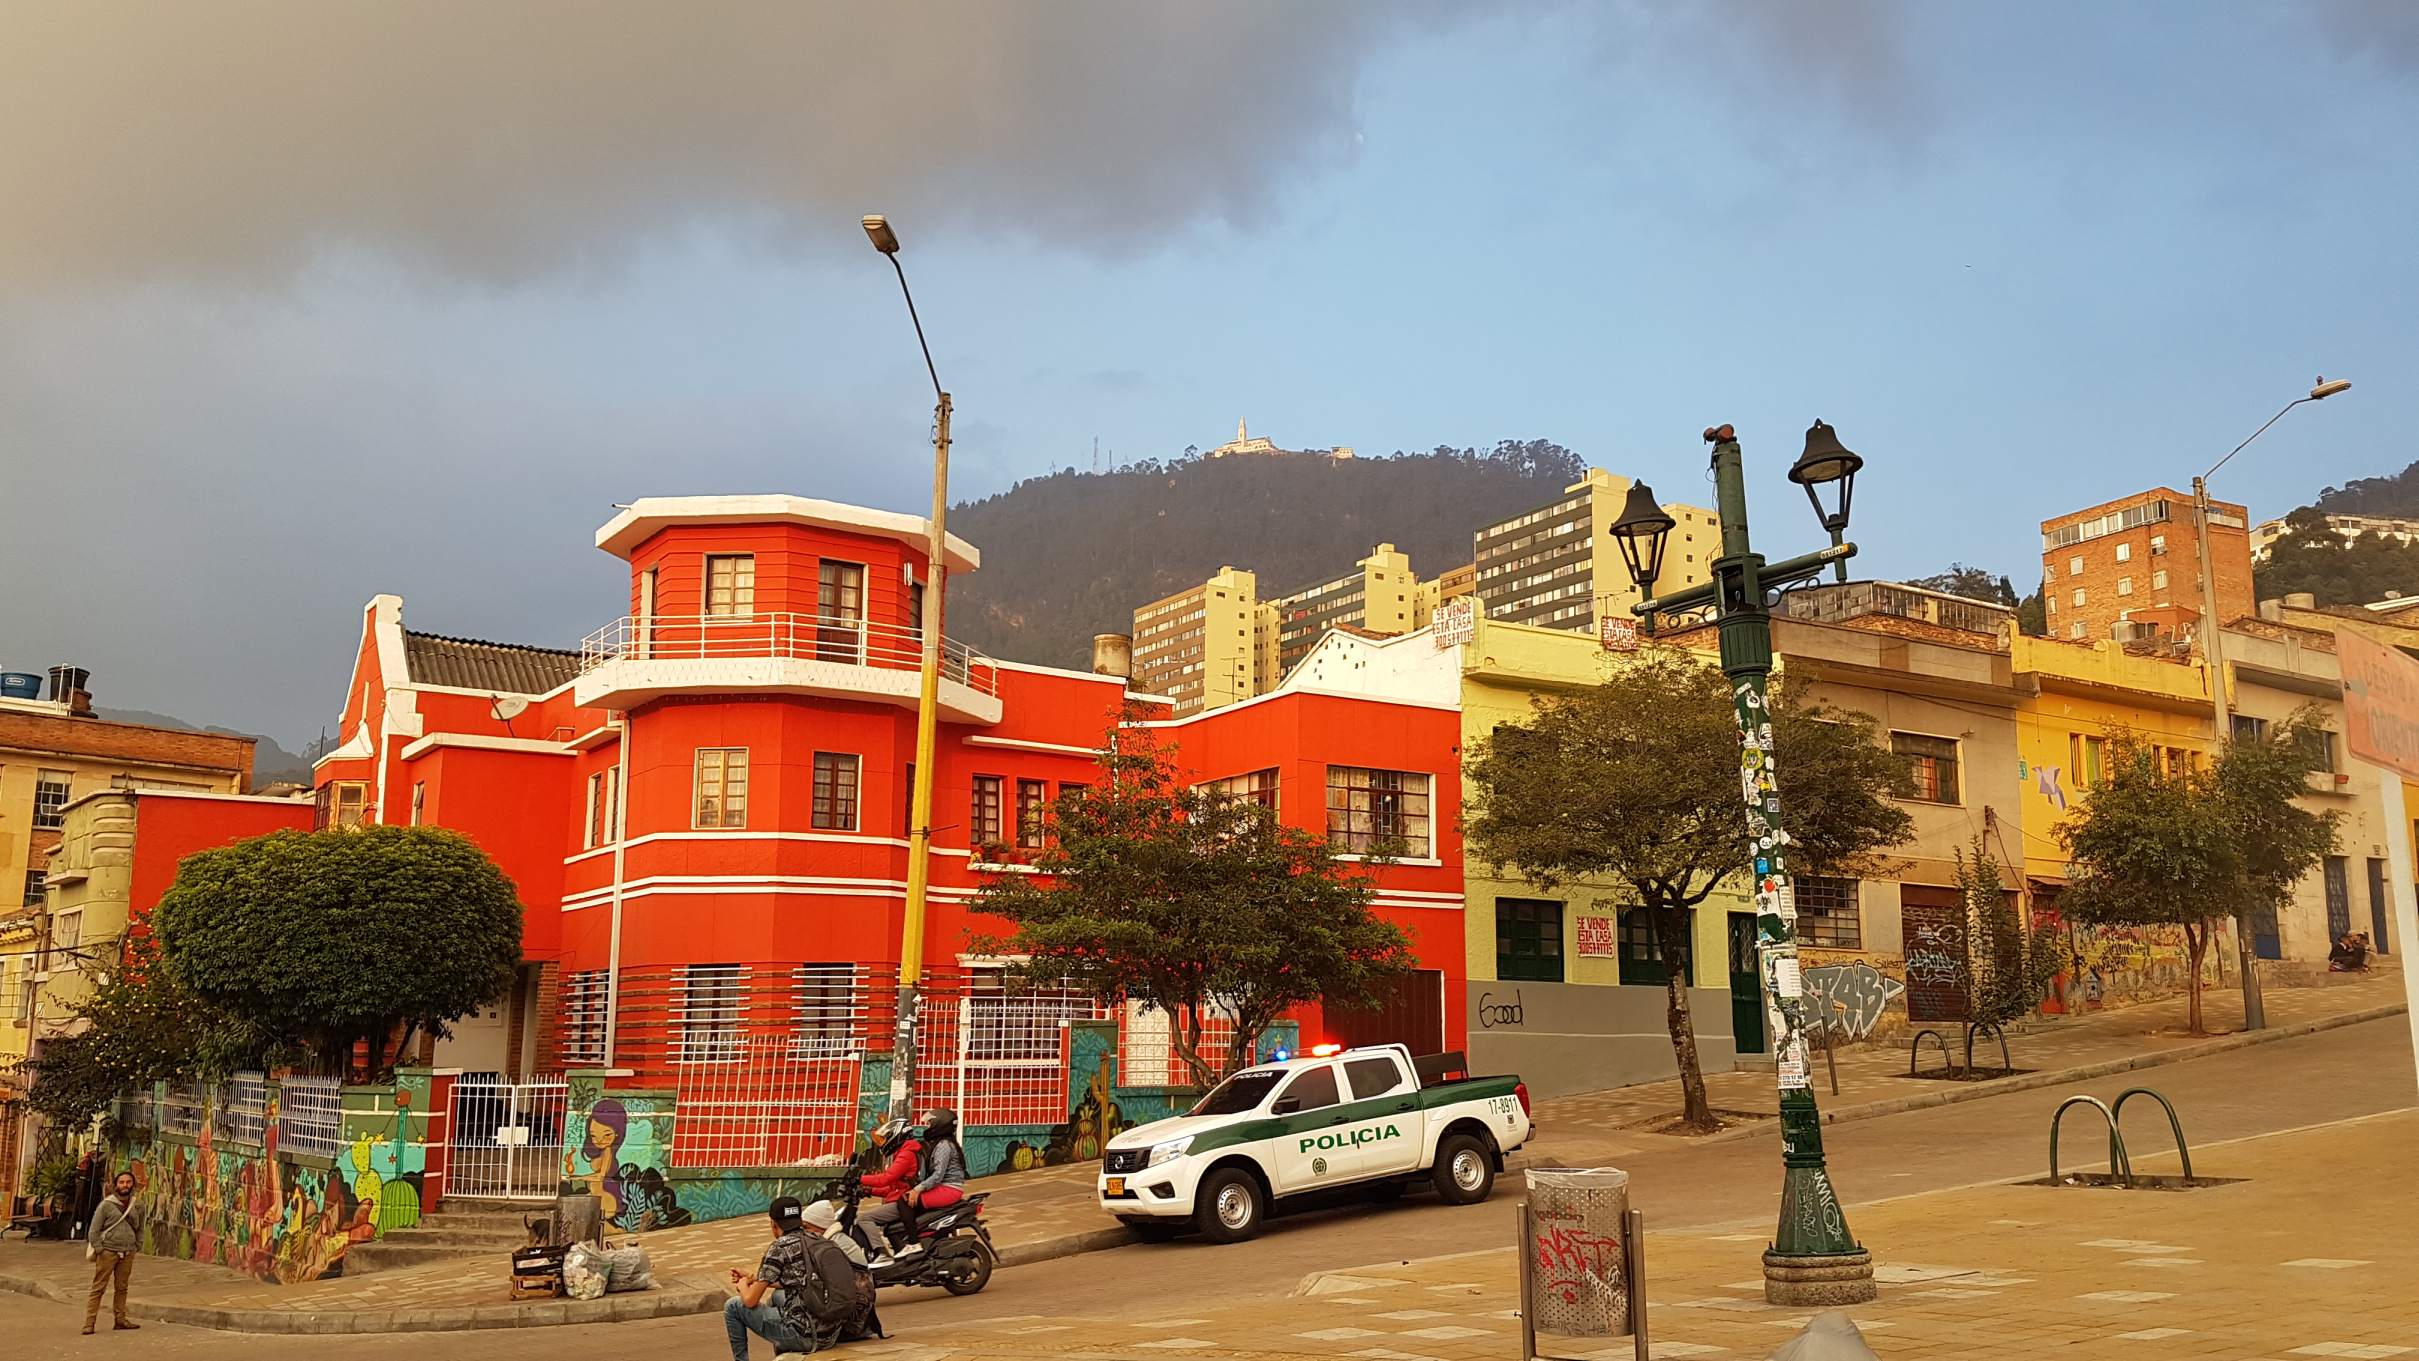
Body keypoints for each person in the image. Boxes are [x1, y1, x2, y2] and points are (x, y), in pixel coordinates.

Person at [860, 1110, 966, 1262]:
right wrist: (869, 1190)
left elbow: (937, 1175)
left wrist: (917, 1190)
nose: (927, 1127)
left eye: (930, 1124)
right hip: (944, 1187)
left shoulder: (944, 1145)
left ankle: (914, 1243)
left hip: (949, 1188)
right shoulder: (939, 1144)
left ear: (940, 1125)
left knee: (904, 1200)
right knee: (904, 1201)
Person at [84, 1170, 143, 1336]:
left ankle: (120, 1319)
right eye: (121, 1182)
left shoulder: (138, 1205)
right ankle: (89, 1323)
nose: (125, 1185)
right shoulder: (106, 1205)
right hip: (108, 1251)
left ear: (133, 1185)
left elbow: (140, 1228)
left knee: (122, 1287)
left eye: (128, 1182)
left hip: (128, 1251)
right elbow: (94, 1230)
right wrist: (100, 1249)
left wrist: (137, 1245)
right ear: (116, 1185)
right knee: (98, 1287)